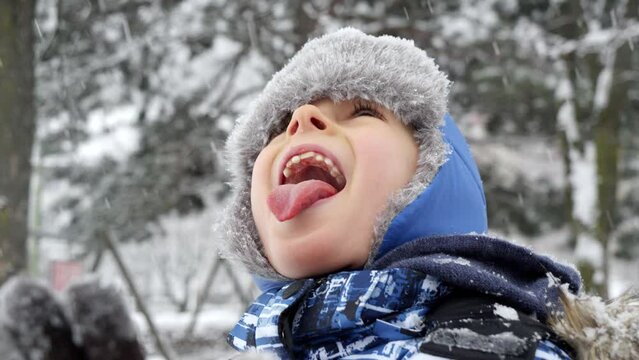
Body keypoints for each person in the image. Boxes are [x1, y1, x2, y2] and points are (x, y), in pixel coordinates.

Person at [220, 28, 639, 359]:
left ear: (433, 174)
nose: (302, 118)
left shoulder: (494, 343)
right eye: (279, 127)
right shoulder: (259, 345)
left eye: (364, 111)